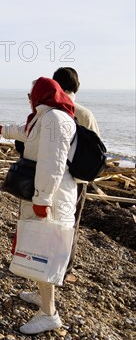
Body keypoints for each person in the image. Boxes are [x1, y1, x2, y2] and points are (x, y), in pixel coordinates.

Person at [0, 77, 77, 334]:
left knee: (43, 251)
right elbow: (26, 132)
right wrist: (1, 129)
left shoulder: (54, 120)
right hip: (47, 196)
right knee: (39, 250)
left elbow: (53, 163)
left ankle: (49, 314)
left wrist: (42, 200)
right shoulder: (46, 116)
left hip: (52, 199)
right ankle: (43, 298)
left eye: (31, 94)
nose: (29, 99)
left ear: (39, 95)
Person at [52, 67, 101, 277]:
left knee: (47, 222)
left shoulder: (48, 110)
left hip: (50, 173)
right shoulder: (84, 114)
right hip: (77, 177)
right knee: (71, 223)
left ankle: (39, 263)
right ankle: (64, 268)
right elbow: (96, 151)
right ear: (77, 86)